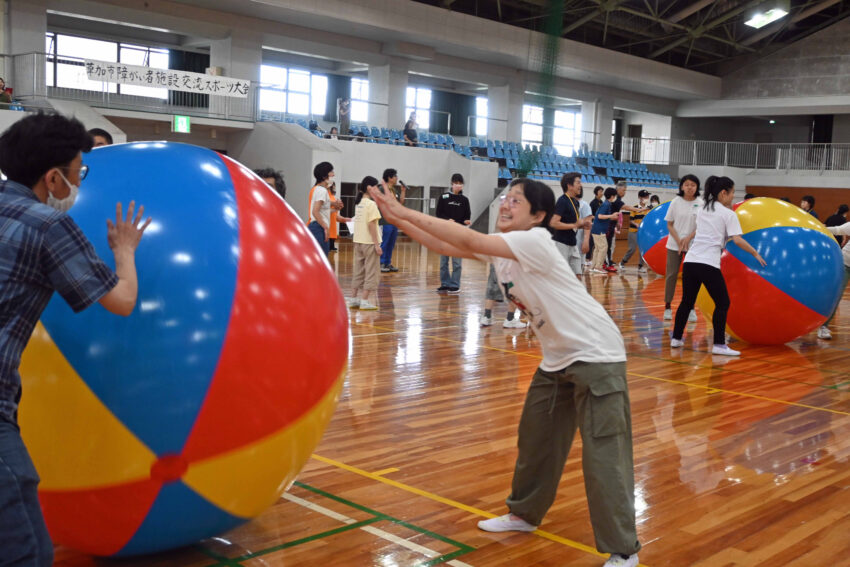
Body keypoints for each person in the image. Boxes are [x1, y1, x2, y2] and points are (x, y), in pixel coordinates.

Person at [368, 178, 641, 567]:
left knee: (604, 454)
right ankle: (524, 514)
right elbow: (449, 244)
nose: (506, 205)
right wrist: (394, 217)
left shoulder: (534, 241)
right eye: (506, 198)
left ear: (539, 216)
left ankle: (623, 549)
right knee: (537, 438)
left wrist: (402, 211)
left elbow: (469, 239)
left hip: (596, 356)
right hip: (557, 359)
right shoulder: (507, 249)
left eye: (517, 201)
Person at [0, 112, 151, 565]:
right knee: (25, 550)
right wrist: (124, 251)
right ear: (52, 177)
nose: (78, 183)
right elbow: (121, 301)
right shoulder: (48, 224)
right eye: (77, 172)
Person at [670, 176, 766, 356]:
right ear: (723, 193)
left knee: (686, 301)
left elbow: (706, 230)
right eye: (731, 193)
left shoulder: (703, 209)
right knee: (723, 303)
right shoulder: (728, 214)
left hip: (691, 261)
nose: (732, 198)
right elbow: (737, 239)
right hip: (708, 264)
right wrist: (754, 253)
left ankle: (676, 338)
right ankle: (719, 345)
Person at [663, 174, 701, 321]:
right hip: (674, 245)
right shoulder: (676, 202)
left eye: (693, 184)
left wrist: (688, 238)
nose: (690, 187)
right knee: (671, 275)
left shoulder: (701, 203)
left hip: (693, 245)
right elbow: (669, 224)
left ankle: (690, 307)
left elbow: (701, 225)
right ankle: (667, 306)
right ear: (682, 187)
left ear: (697, 187)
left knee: (690, 277)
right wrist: (679, 241)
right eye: (687, 184)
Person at [346, 176, 383, 311]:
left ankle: (354, 299)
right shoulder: (371, 204)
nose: (377, 190)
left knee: (358, 271)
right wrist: (376, 245)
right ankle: (365, 300)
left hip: (358, 241)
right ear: (369, 188)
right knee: (371, 272)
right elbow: (372, 225)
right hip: (369, 242)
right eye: (375, 187)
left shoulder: (359, 203)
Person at [550, 172, 591, 278]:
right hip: (561, 244)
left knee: (578, 274)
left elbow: (572, 224)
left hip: (573, 244)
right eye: (578, 182)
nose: (580, 185)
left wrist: (583, 225)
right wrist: (574, 225)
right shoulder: (562, 201)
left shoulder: (575, 202)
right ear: (569, 185)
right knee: (561, 277)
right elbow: (554, 223)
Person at [435, 173, 471, 292]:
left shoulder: (464, 200)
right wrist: (447, 220)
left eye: (460, 184)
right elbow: (438, 213)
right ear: (451, 184)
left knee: (457, 262)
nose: (458, 185)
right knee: (443, 262)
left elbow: (467, 215)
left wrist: (466, 221)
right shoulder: (444, 197)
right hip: (444, 233)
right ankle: (445, 283)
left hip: (458, 234)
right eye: (456, 183)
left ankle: (455, 284)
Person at [820, 219, 850, 340]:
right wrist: (819, 228)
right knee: (835, 295)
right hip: (845, 264)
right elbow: (837, 230)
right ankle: (823, 326)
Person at [479, 264, 525, 328]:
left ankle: (487, 317)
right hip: (510, 264)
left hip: (496, 262)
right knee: (512, 291)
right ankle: (510, 319)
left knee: (492, 289)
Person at [379, 169, 406, 272]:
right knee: (384, 242)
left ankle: (387, 263)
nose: (397, 178)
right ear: (390, 178)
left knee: (391, 242)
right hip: (385, 220)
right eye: (395, 176)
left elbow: (400, 203)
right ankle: (381, 262)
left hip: (394, 220)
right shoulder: (382, 189)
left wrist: (403, 191)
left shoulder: (394, 190)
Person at [619, 189, 650, 273]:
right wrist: (637, 225)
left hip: (643, 233)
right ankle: (622, 263)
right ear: (640, 198)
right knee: (632, 249)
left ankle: (640, 266)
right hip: (633, 231)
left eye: (647, 196)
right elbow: (630, 220)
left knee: (642, 249)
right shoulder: (635, 208)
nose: (647, 198)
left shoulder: (649, 209)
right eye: (645, 196)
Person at [590, 187, 619, 274]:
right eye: (615, 196)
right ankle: (598, 267)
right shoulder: (606, 204)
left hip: (597, 229)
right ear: (612, 196)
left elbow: (602, 217)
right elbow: (599, 216)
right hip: (599, 230)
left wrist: (611, 217)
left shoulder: (606, 204)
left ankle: (594, 266)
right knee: (603, 248)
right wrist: (611, 215)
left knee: (598, 249)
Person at [307, 161, 335, 255]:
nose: (333, 174)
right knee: (321, 260)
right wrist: (325, 227)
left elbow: (322, 211)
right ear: (324, 176)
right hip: (318, 227)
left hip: (317, 226)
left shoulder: (318, 189)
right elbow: (315, 212)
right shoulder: (321, 191)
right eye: (331, 172)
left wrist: (336, 208)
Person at [587, 186, 604, 262]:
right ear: (596, 192)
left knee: (598, 243)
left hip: (600, 225)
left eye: (602, 191)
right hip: (594, 225)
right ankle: (588, 259)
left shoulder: (602, 203)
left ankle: (595, 259)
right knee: (591, 242)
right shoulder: (592, 203)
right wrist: (598, 217)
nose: (602, 193)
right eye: (600, 191)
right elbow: (590, 215)